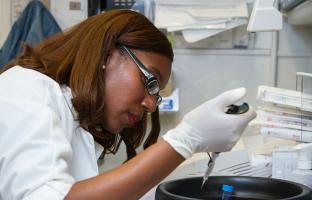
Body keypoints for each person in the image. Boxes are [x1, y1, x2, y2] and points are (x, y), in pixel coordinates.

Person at [0, 9, 256, 200]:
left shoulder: (74, 117)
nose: (150, 106)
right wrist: (185, 140)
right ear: (107, 54)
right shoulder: (26, 90)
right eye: (150, 81)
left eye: (156, 94)